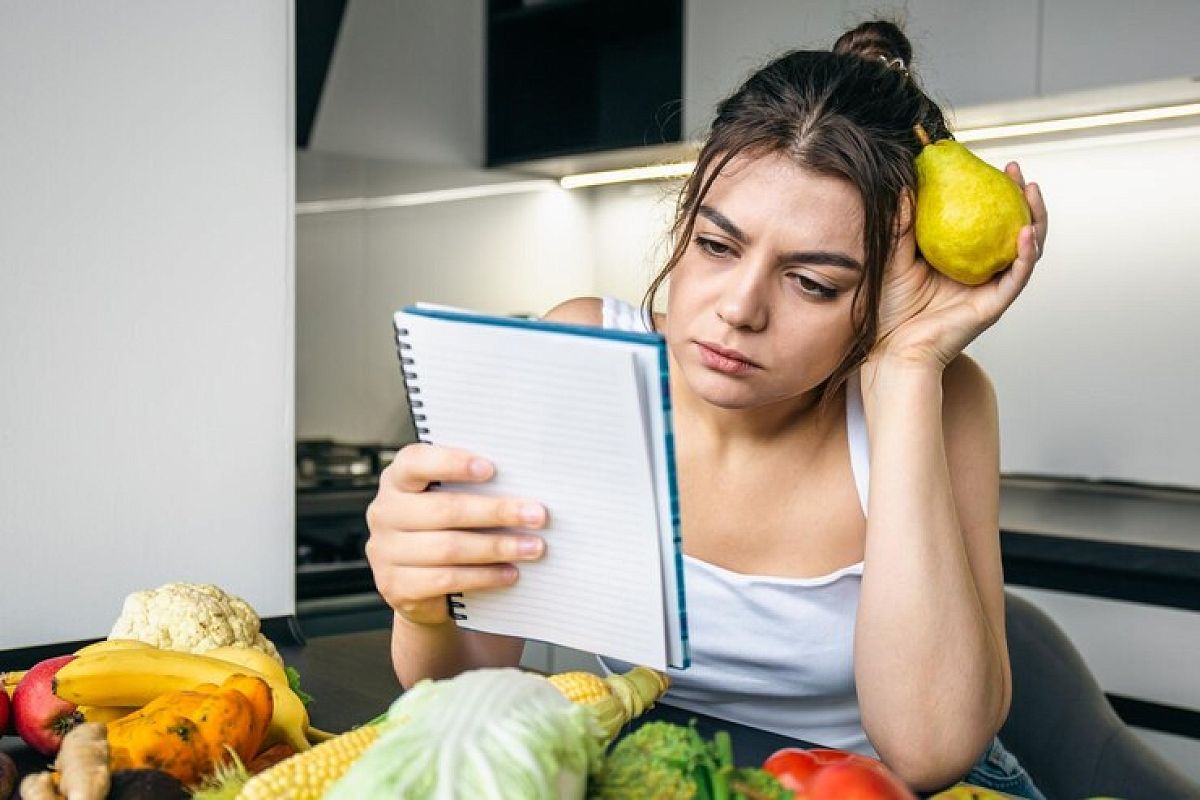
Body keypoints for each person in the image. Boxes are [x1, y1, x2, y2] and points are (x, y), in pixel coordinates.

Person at [365, 20, 1049, 798]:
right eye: (717, 247)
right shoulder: (586, 352)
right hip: (667, 777)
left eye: (813, 283)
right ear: (683, 220)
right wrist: (422, 606)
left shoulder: (938, 396)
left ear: (885, 292)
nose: (740, 310)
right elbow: (466, 686)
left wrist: (906, 367)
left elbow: (930, 753)